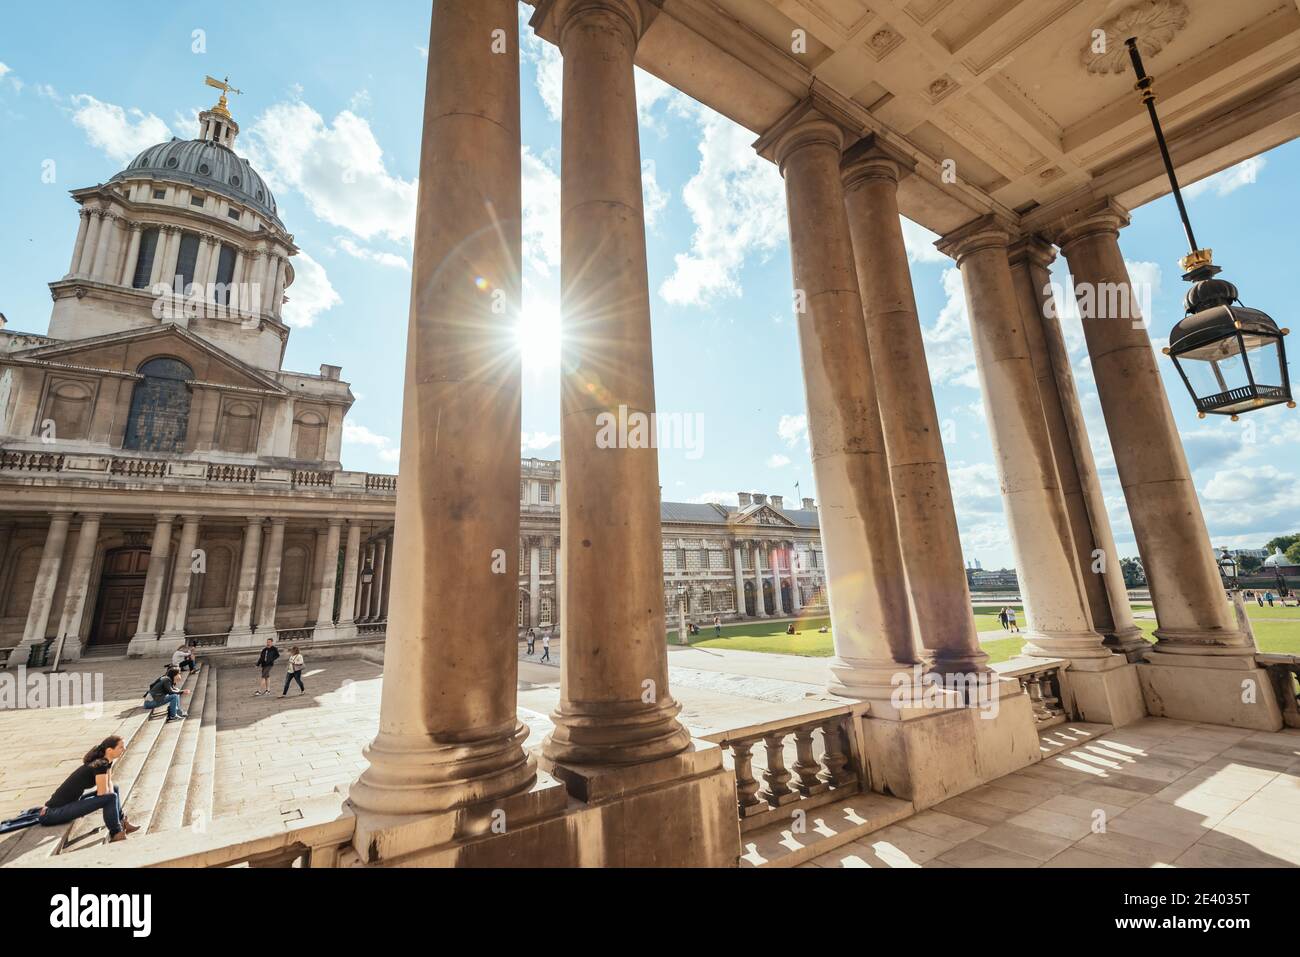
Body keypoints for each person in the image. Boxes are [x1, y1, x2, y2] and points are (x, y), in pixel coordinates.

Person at [38, 736, 140, 843]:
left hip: (66, 806)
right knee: (110, 798)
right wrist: (111, 800)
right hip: (52, 813)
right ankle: (116, 833)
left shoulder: (106, 762)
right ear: (109, 750)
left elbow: (109, 784)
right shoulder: (100, 765)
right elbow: (102, 794)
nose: (124, 749)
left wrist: (111, 798)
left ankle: (123, 822)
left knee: (114, 789)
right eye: (121, 747)